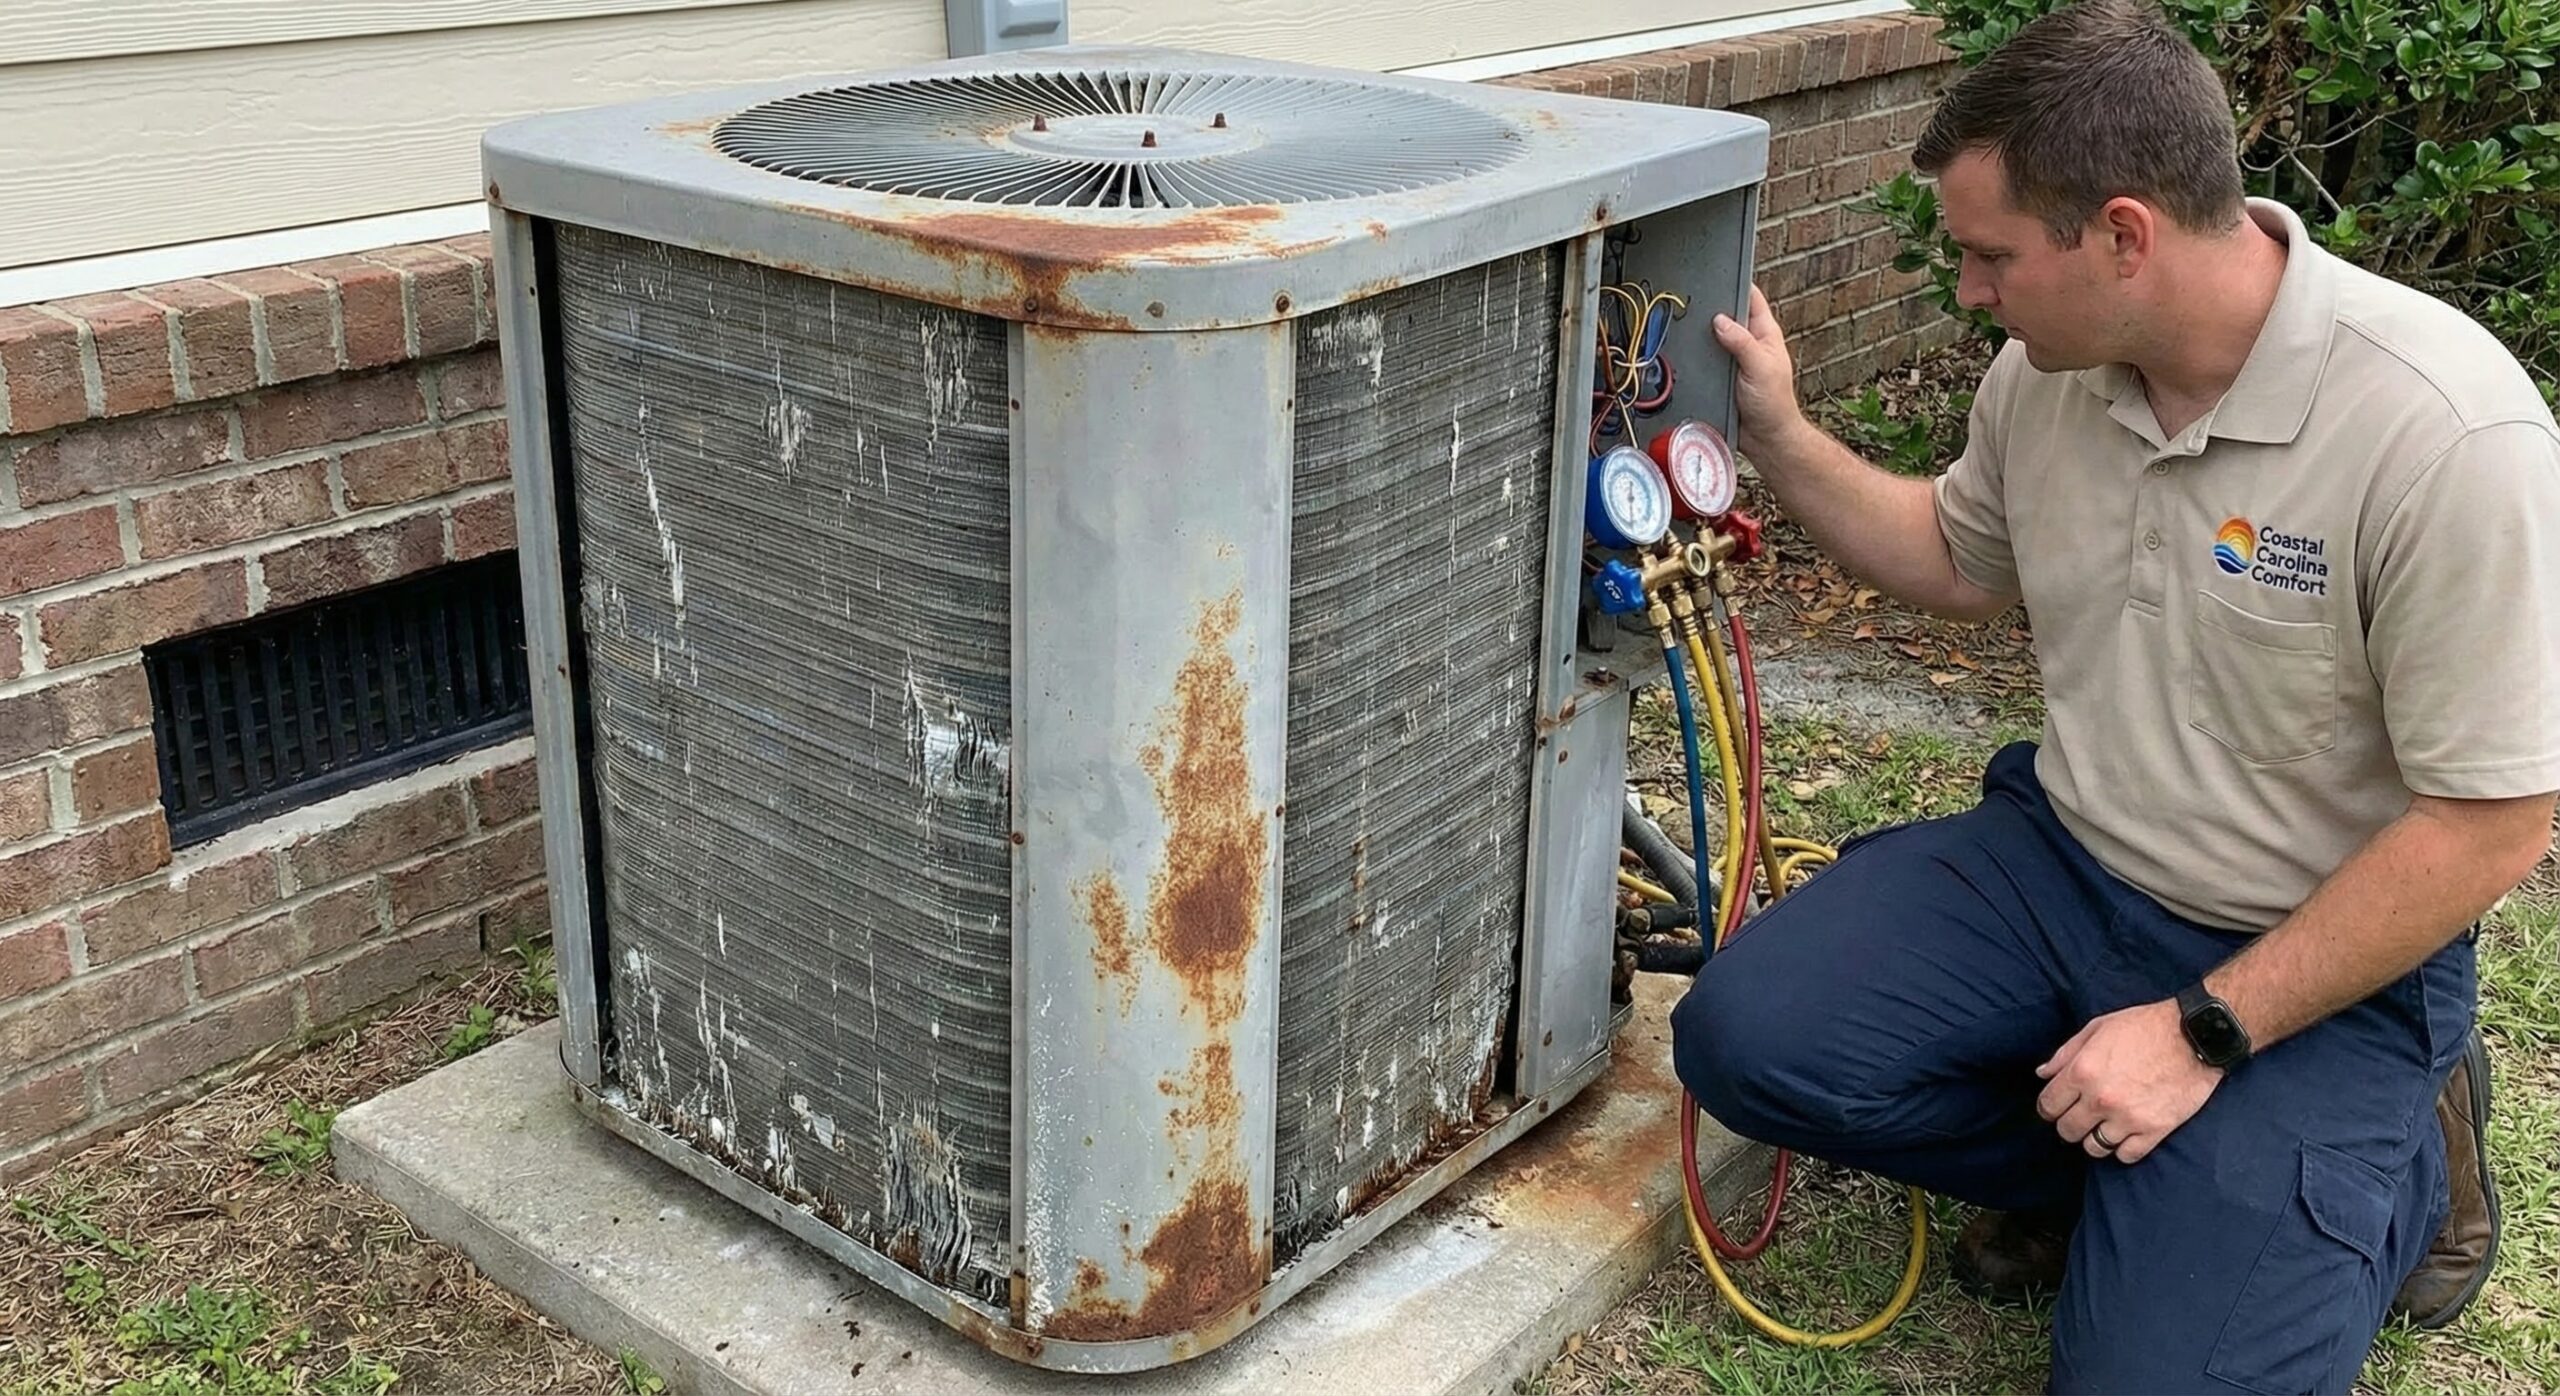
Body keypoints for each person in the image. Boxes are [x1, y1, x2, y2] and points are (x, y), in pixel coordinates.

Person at [1669, 0, 2560, 1389]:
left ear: (2126, 235)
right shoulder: (2050, 376)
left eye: (1990, 257)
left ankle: (2393, 1177)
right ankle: (2137, 1170)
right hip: (2065, 867)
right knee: (1750, 1042)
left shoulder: (2447, 434)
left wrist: (2206, 1031)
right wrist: (1776, 431)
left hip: (2303, 956)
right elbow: (1958, 563)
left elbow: (2495, 823)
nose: (1969, 292)